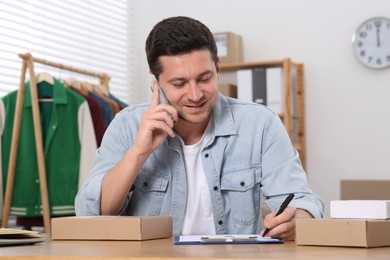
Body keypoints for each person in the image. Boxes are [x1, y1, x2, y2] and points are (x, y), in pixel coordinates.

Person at [75, 16, 324, 241]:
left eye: (205, 79)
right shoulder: (127, 125)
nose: (195, 95)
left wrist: (297, 220)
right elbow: (92, 213)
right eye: (179, 83)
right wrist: (139, 152)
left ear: (217, 67)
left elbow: (304, 201)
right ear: (156, 81)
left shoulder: (261, 124)